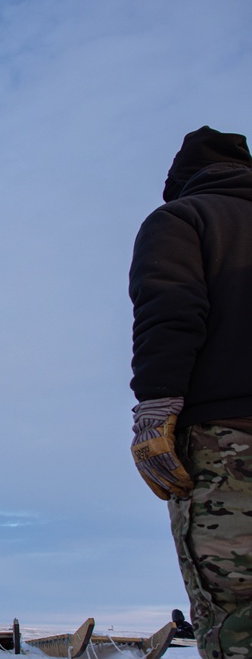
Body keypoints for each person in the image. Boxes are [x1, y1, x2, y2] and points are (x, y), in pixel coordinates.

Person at [129, 126, 252, 658]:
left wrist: (155, 413)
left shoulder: (182, 218)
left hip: (227, 444)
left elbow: (170, 311)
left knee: (237, 619)